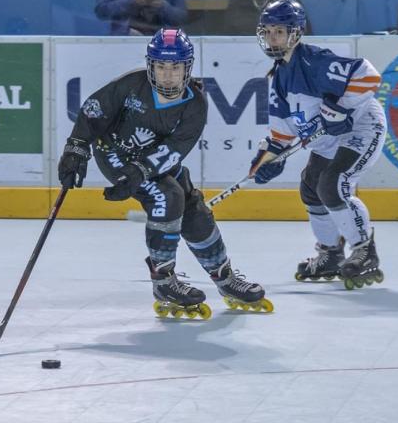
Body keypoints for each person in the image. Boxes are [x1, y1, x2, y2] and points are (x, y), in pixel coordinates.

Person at [57, 28, 271, 319]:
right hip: (114, 154)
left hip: (155, 163)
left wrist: (140, 171)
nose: (167, 74)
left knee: (194, 210)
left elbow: (176, 147)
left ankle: (224, 277)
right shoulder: (131, 85)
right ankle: (163, 281)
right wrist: (76, 149)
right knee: (168, 197)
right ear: (151, 66)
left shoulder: (195, 103)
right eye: (161, 66)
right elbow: (93, 110)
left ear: (187, 67)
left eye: (175, 67)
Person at [248, 0, 386, 290]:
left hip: (361, 126)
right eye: (269, 31)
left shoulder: (315, 61)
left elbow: (368, 75)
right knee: (311, 186)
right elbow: (282, 134)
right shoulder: (280, 77)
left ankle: (364, 250)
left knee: (333, 184)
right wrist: (268, 159)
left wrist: (342, 107)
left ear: (295, 33)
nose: (273, 38)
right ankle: (330, 254)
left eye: (280, 31)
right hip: (329, 138)